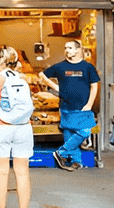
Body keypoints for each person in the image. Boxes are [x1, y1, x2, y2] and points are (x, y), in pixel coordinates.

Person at [0, 46, 32, 208]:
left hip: (0, 126)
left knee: (1, 174)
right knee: (23, 173)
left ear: (1, 60)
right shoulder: (24, 78)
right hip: (24, 127)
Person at [38, 39, 100, 171]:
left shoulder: (88, 67)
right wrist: (55, 87)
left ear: (78, 50)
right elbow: (41, 75)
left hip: (83, 108)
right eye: (65, 48)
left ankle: (61, 152)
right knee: (69, 134)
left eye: (70, 48)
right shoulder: (60, 67)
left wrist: (89, 104)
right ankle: (75, 161)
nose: (67, 50)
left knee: (84, 131)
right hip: (65, 107)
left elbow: (94, 87)